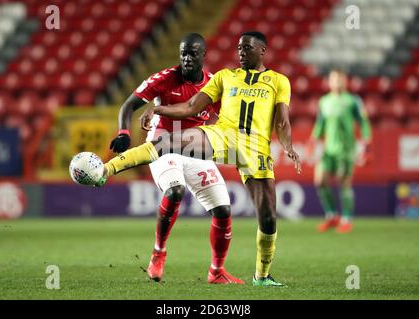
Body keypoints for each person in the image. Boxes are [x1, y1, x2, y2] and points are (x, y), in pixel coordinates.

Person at [98, 31, 301, 286]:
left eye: (246, 47)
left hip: (255, 149)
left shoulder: (278, 81)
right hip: (219, 137)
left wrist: (288, 145)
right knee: (169, 159)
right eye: (238, 47)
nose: (240, 51)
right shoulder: (224, 77)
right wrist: (155, 110)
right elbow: (192, 106)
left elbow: (281, 121)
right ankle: (106, 170)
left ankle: (254, 275)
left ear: (262, 50)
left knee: (263, 216)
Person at [108, 33, 243, 284]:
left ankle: (216, 271)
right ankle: (159, 252)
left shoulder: (214, 85)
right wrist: (124, 132)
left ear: (204, 55)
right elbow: (128, 105)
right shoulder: (164, 78)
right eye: (183, 53)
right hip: (163, 145)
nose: (186, 58)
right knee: (175, 191)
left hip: (195, 147)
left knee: (223, 210)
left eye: (192, 53)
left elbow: (227, 118)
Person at [309, 69, 372, 233]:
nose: (337, 82)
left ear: (346, 82)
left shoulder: (353, 101)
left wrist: (366, 144)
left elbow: (363, 123)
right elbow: (320, 124)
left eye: (340, 79)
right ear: (329, 82)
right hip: (329, 150)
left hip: (346, 150)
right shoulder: (324, 101)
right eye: (334, 79)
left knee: (344, 183)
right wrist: (313, 140)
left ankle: (346, 219)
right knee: (320, 180)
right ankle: (331, 216)